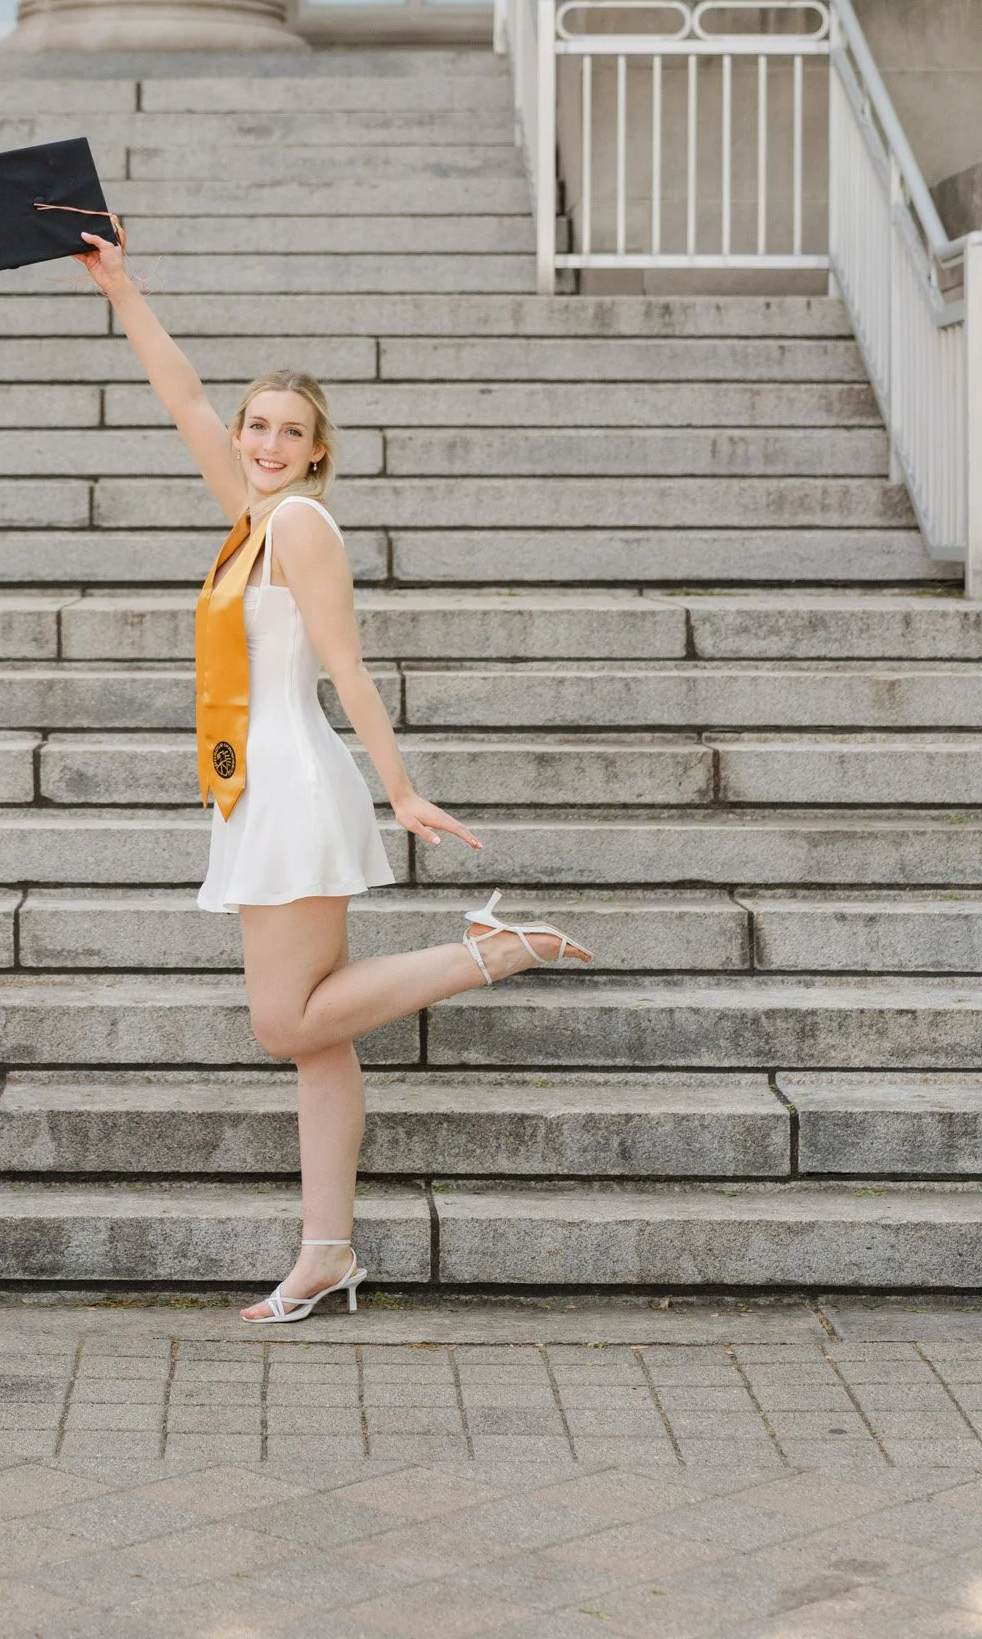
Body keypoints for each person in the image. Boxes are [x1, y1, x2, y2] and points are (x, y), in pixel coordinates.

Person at [77, 230, 592, 1326]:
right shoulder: (250, 518)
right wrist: (122, 288)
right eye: (256, 425)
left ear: (316, 451)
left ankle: (487, 952)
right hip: (255, 787)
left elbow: (347, 665)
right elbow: (183, 404)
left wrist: (400, 791)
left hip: (294, 784)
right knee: (317, 1038)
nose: (261, 443)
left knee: (282, 1024)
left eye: (285, 432)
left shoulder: (298, 525)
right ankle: (325, 1254)